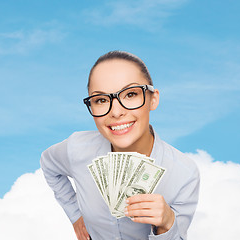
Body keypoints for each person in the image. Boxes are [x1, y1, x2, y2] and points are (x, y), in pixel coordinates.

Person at [40, 51, 200, 240]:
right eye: (101, 100)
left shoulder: (184, 174)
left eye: (130, 94)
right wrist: (75, 215)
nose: (116, 112)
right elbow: (48, 164)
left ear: (153, 99)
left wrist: (167, 224)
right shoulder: (77, 148)